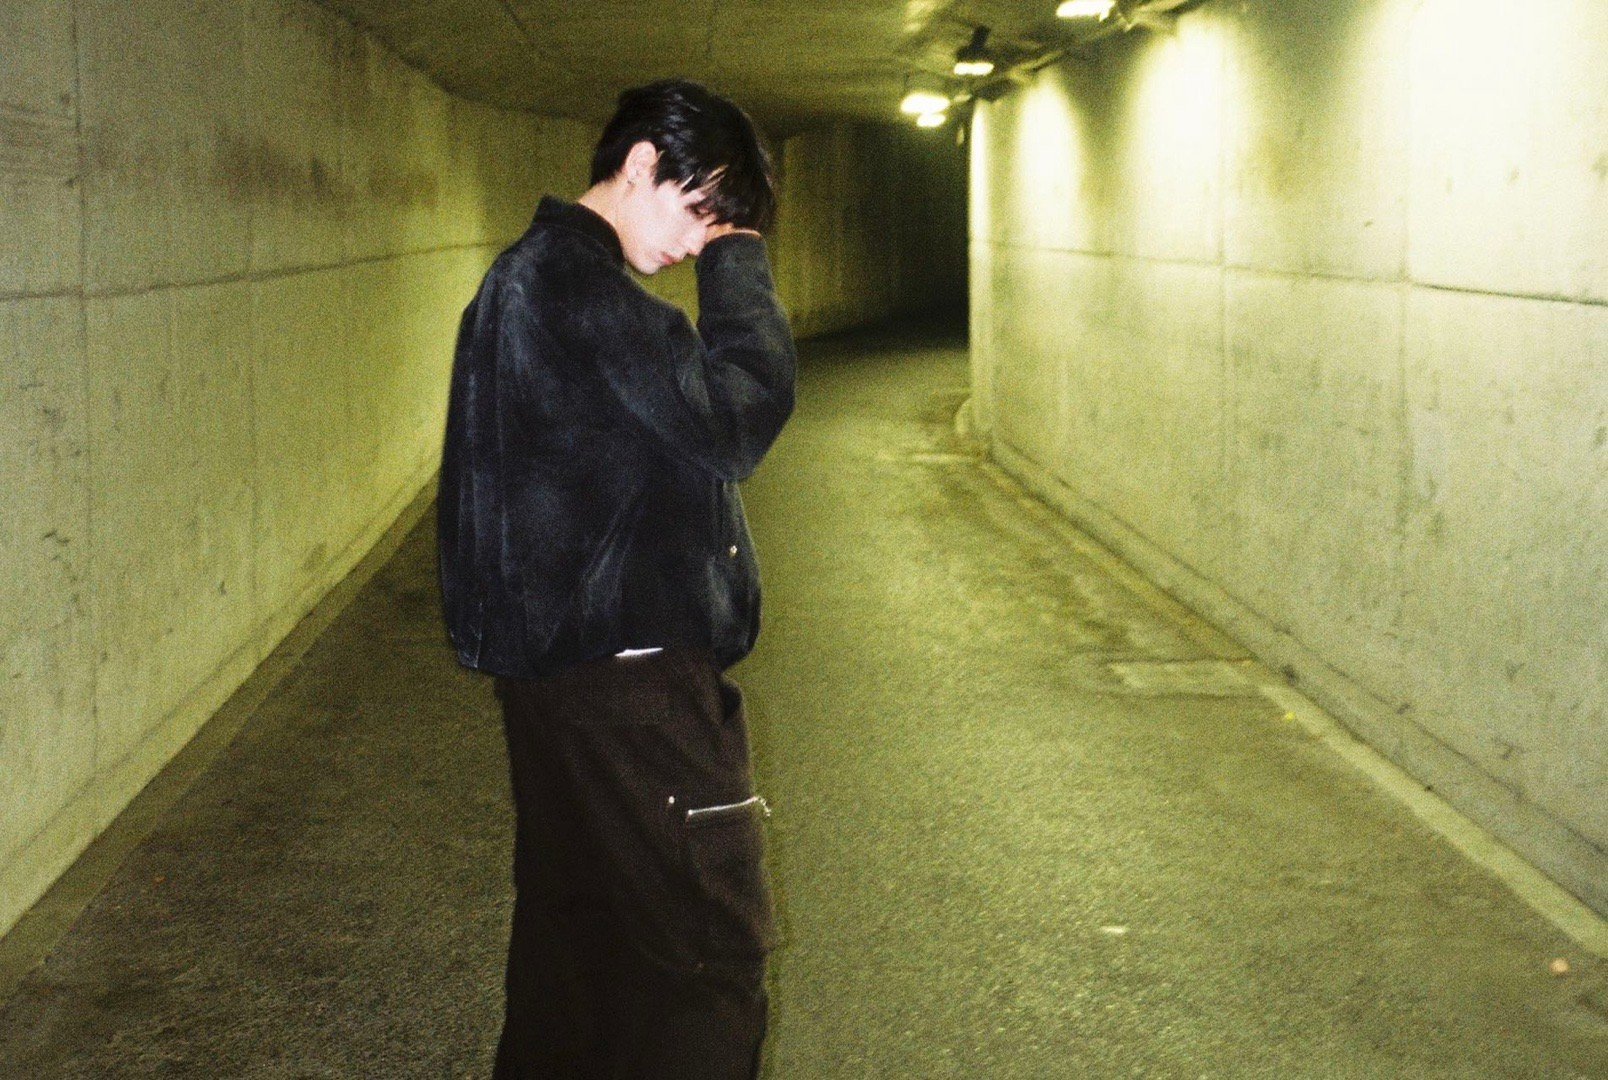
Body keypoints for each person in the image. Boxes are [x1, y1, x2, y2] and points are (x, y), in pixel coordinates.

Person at [436, 79, 796, 1080]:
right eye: (701, 209)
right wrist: (740, 264)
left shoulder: (522, 282)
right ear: (641, 163)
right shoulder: (577, 290)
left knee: (578, 950)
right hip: (632, 689)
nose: (700, 240)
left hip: (557, 685)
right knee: (705, 957)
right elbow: (736, 417)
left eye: (720, 227)